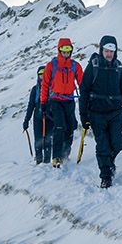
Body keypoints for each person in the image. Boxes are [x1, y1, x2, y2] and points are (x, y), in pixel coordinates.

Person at [78, 35, 122, 188]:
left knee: (118, 143)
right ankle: (106, 176)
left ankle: (109, 161)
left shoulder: (120, 67)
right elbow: (84, 90)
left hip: (115, 112)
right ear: (101, 50)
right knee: (102, 145)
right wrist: (84, 115)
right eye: (106, 51)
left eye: (112, 51)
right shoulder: (93, 66)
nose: (109, 54)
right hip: (96, 113)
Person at [40, 37, 84, 168]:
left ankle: (65, 153)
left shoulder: (75, 66)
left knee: (71, 126)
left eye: (68, 50)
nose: (66, 53)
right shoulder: (51, 66)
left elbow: (82, 82)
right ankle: (56, 157)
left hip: (69, 100)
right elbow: (45, 85)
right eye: (64, 50)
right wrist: (43, 103)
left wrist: (87, 96)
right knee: (59, 127)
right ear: (59, 50)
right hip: (55, 101)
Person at [22, 65, 49, 164]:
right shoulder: (35, 89)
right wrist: (26, 120)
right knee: (38, 139)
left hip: (49, 117)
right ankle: (38, 160)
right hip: (38, 117)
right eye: (40, 75)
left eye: (44, 75)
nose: (42, 77)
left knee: (48, 139)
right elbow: (30, 106)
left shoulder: (51, 88)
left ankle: (47, 161)